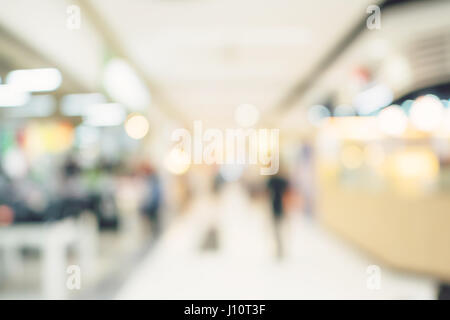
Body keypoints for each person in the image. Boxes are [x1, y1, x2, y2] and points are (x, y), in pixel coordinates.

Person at [267, 171, 289, 260]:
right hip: (281, 207)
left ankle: (279, 248)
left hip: (276, 206)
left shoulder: (272, 180)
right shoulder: (282, 181)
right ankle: (280, 248)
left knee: (277, 229)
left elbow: (266, 193)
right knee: (280, 229)